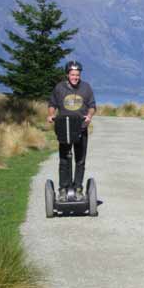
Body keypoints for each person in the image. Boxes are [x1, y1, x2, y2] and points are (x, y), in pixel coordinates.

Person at [47, 60, 96, 201]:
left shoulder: (86, 88)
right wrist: (51, 115)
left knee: (80, 160)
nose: (75, 77)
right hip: (64, 127)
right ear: (68, 74)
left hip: (80, 127)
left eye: (77, 75)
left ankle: (78, 188)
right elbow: (52, 104)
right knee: (64, 159)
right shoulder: (59, 88)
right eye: (73, 74)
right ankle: (63, 189)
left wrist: (89, 116)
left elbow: (92, 105)